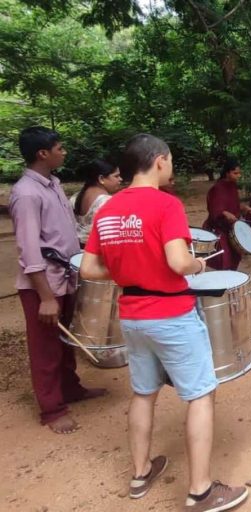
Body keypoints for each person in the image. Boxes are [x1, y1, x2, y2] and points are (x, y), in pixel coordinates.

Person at [79, 134, 249, 511]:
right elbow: (178, 261)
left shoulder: (107, 208)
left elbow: (90, 268)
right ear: (158, 161)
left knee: (143, 393)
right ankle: (201, 491)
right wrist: (199, 264)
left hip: (133, 317)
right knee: (201, 394)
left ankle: (141, 474)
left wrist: (130, 272)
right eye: (170, 160)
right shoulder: (165, 204)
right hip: (172, 315)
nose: (171, 167)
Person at [9, 126, 106, 434]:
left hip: (63, 277)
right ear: (43, 153)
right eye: (60, 148)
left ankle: (71, 388)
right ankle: (52, 409)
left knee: (66, 341)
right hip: (43, 285)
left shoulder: (52, 184)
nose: (64, 152)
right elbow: (29, 250)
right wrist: (46, 297)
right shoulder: (26, 193)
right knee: (46, 348)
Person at [203, 158, 251, 270]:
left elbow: (235, 204)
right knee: (225, 259)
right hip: (220, 228)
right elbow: (214, 209)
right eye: (235, 173)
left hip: (233, 228)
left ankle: (231, 282)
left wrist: (246, 208)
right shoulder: (217, 188)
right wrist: (225, 213)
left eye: (239, 173)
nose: (238, 175)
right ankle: (224, 284)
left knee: (235, 257)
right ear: (227, 173)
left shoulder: (232, 186)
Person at [73, 160, 123, 246]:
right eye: (116, 176)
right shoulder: (107, 202)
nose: (120, 179)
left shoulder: (75, 197)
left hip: (77, 248)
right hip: (96, 250)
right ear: (101, 179)